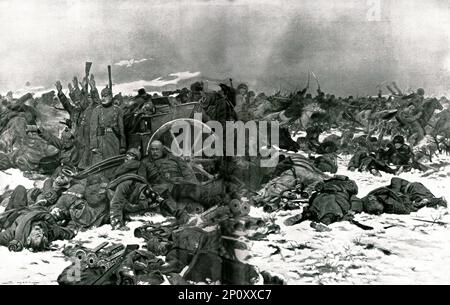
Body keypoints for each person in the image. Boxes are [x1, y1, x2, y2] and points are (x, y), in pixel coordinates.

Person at [0, 205, 75, 252]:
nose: (41, 232)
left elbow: (1, 238)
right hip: (41, 208)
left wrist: (15, 243)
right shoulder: (50, 232)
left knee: (20, 189)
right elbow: (66, 232)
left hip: (15, 213)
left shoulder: (17, 232)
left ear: (28, 240)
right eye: (43, 235)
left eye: (38, 236)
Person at [362, 177, 447, 215]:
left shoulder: (394, 183)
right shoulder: (387, 201)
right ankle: (435, 202)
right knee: (420, 203)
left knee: (424, 200)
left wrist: (395, 192)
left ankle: (438, 201)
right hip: (410, 195)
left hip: (413, 188)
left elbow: (395, 179)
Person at [90, 86, 126, 166]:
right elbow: (93, 129)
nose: (103, 98)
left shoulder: (118, 110)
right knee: (100, 165)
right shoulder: (97, 110)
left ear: (111, 96)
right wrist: (94, 146)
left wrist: (122, 145)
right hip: (101, 141)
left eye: (105, 96)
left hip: (114, 140)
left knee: (114, 164)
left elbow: (121, 129)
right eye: (102, 96)